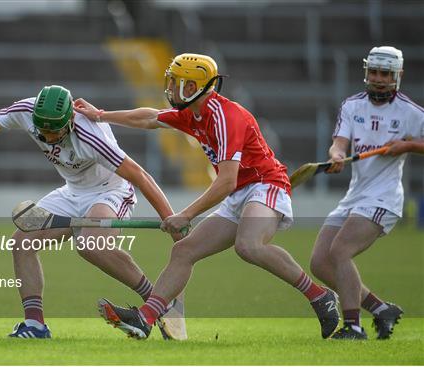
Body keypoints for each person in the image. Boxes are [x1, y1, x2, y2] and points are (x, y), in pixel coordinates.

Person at [74, 53, 340, 340]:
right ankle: (145, 318)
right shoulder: (193, 114)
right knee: (183, 251)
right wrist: (100, 115)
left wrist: (185, 215)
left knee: (249, 246)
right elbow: (149, 117)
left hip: (266, 185)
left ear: (193, 87)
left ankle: (319, 295)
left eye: (176, 82)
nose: (171, 87)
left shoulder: (226, 116)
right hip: (240, 193)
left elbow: (225, 181)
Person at [0, 85, 186, 339]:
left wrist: (172, 221)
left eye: (52, 132)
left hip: (109, 190)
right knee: (21, 242)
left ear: (69, 122)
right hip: (71, 192)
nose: (46, 136)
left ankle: (158, 303)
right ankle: (35, 326)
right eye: (41, 130)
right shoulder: (28, 111)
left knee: (90, 244)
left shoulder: (90, 137)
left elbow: (140, 176)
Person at [310, 46, 424, 340]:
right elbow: (339, 143)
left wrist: (408, 146)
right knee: (321, 262)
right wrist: (336, 155)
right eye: (373, 72)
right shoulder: (352, 106)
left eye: (385, 73)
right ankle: (381, 309)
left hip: (384, 198)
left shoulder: (411, 113)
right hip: (355, 196)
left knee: (340, 251)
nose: (378, 79)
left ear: (397, 75)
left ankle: (353, 326)